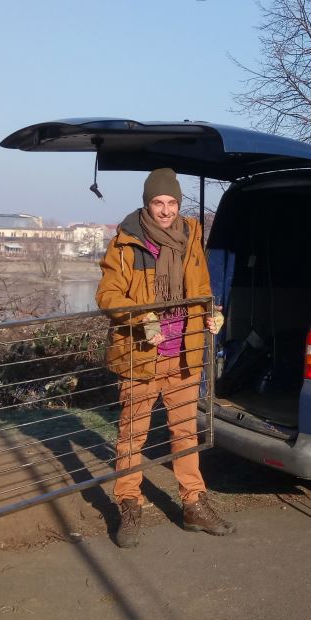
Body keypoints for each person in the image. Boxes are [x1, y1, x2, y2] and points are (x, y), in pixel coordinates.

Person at [96, 167, 234, 548]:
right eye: (158, 202)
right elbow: (108, 295)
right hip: (141, 356)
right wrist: (140, 317)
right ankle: (129, 505)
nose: (165, 210)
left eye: (172, 202)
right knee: (131, 437)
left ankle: (194, 504)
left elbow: (202, 287)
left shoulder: (190, 237)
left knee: (185, 434)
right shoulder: (125, 242)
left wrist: (211, 311)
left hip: (184, 354)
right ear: (147, 203)